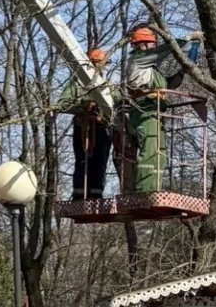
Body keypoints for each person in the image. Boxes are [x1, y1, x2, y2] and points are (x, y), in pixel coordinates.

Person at [122, 27, 203, 193]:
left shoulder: (151, 71)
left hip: (156, 111)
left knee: (160, 153)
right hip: (144, 109)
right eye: (152, 44)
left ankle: (155, 189)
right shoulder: (138, 59)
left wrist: (181, 73)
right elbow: (164, 51)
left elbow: (168, 85)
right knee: (150, 150)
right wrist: (188, 37)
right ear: (142, 45)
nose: (153, 47)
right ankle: (145, 190)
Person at [57, 48, 115, 200]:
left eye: (103, 64)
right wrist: (83, 106)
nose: (102, 67)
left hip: (101, 129)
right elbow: (63, 104)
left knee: (99, 162)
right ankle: (79, 194)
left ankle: (96, 194)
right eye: (99, 64)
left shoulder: (106, 85)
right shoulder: (76, 83)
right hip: (83, 127)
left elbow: (117, 103)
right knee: (82, 161)